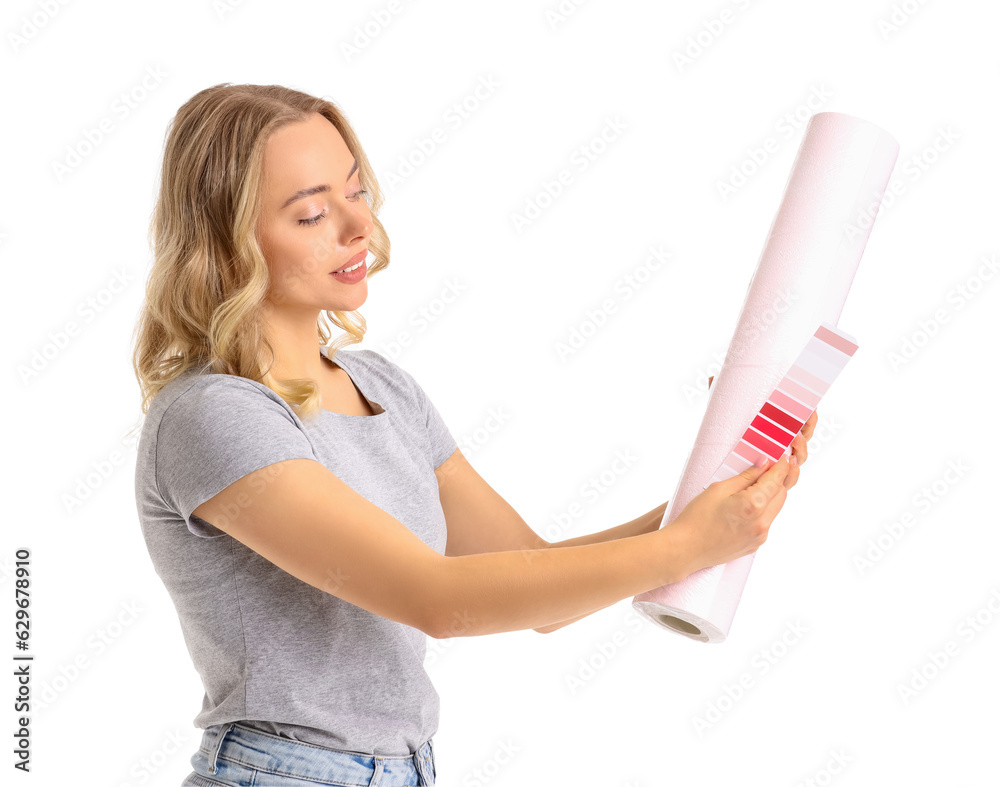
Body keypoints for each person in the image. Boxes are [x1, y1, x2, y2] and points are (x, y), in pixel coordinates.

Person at [131, 83, 815, 787]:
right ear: (227, 240)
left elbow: (528, 571)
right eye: (310, 212)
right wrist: (693, 542)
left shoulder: (385, 388)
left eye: (356, 192)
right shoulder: (214, 415)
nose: (355, 226)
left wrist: (718, 491)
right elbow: (440, 598)